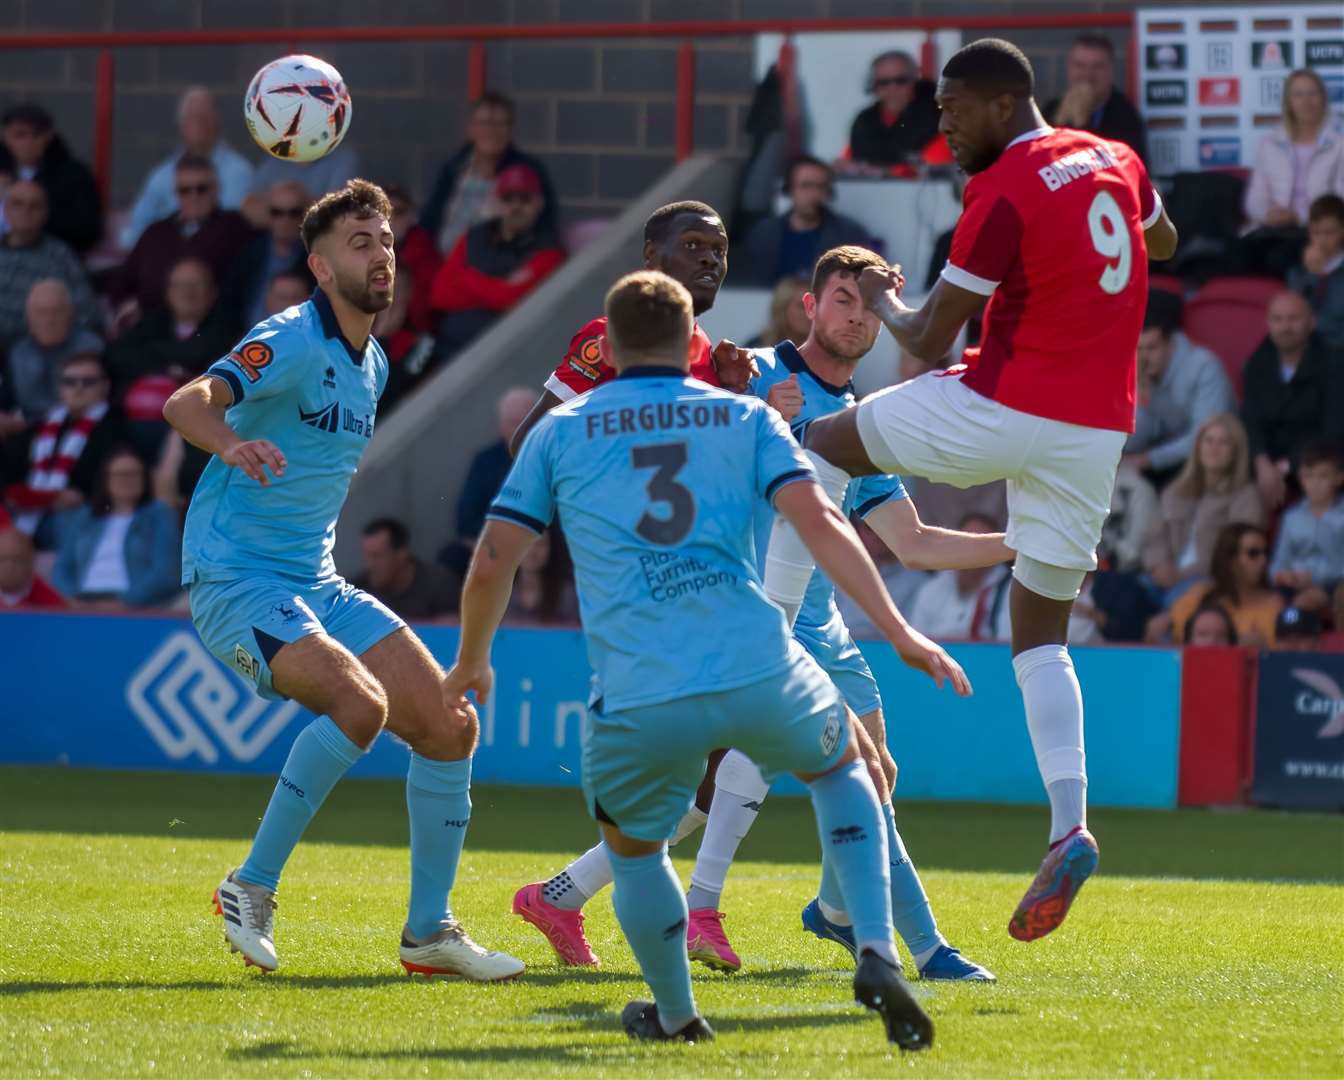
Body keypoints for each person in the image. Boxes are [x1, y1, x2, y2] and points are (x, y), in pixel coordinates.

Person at [448, 268, 967, 1046]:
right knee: (846, 770)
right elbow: (824, 524)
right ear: (694, 342)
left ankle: (680, 1014)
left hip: (637, 682)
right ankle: (874, 946)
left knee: (635, 850)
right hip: (760, 663)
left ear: (610, 347)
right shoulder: (745, 418)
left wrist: (471, 661)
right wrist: (899, 630)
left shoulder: (561, 430)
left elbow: (494, 557)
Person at [760, 39, 1178, 943]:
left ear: (1002, 103)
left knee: (823, 438)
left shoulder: (1003, 191)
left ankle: (768, 629)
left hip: (1006, 400)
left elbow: (921, 336)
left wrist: (874, 285)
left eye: (951, 112)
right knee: (1041, 635)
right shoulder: (1115, 157)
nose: (940, 126)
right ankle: (1069, 824)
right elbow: (1164, 239)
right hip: (1097, 427)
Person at [161, 179, 522, 981]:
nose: (381, 254)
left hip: (313, 581)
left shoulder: (376, 362)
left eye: (386, 239)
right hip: (237, 579)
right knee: (361, 705)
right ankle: (249, 887)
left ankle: (429, 932)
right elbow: (186, 404)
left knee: (450, 725)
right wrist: (229, 444)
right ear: (320, 267)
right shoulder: (289, 337)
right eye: (360, 243)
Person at [508, 201, 758, 456]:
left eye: (720, 250)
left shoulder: (704, 346)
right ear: (651, 255)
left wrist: (730, 389)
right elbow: (530, 443)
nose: (710, 259)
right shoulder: (609, 336)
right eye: (692, 245)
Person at [429, 163, 566, 359]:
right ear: (497, 202)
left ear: (539, 203)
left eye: (525, 199)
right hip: (451, 350)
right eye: (508, 198)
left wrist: (466, 278)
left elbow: (512, 299)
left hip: (506, 355)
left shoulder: (549, 250)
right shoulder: (473, 237)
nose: (516, 206)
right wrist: (495, 290)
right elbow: (439, 294)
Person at [110, 155, 255, 328]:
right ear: (176, 194)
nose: (193, 196)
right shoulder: (155, 233)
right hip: (151, 328)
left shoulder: (234, 227)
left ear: (217, 190)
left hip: (212, 329)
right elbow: (122, 283)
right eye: (185, 190)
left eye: (202, 189)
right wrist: (127, 305)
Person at [4, 353, 130, 542]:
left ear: (105, 386)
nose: (78, 389)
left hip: (81, 517)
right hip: (28, 514)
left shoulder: (116, 429)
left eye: (88, 382)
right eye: (69, 382)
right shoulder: (38, 429)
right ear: (60, 388)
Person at [1241, 290, 1344, 511]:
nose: (1285, 327)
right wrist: (1261, 461)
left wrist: (1285, 467)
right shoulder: (1257, 363)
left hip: (1318, 460)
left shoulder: (1334, 364)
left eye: (1293, 318)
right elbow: (1250, 420)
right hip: (1266, 462)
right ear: (1268, 323)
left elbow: (1334, 430)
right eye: (1278, 319)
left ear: (1312, 322)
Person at [1142, 413, 1263, 598]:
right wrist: (1160, 565)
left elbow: (1234, 553)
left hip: (1209, 581)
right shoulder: (1175, 491)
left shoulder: (1246, 496)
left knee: (1178, 597)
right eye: (1208, 441)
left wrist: (1180, 575)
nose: (1214, 448)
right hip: (1165, 575)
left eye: (1223, 443)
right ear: (1198, 447)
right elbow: (1156, 536)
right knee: (1119, 590)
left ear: (1236, 451)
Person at [421, 92, 557, 258]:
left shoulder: (527, 171)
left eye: (500, 124)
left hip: (497, 264)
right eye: (484, 123)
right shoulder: (454, 167)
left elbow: (544, 223)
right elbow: (430, 218)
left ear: (511, 129)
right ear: (471, 129)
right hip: (442, 264)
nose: (491, 131)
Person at [120, 87, 254, 248]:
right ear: (181, 125)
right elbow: (137, 227)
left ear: (217, 122)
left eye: (205, 117)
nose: (199, 123)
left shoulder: (239, 171)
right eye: (192, 117)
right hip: (165, 256)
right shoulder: (162, 174)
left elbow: (231, 230)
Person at [1123, 289, 1234, 481]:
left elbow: (1204, 439)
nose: (1143, 358)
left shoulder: (1204, 367)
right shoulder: (1135, 368)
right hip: (1154, 464)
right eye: (1138, 349)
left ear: (1171, 344)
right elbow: (1134, 441)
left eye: (1151, 348)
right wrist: (1141, 399)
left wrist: (1148, 460)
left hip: (1208, 466)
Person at [50, 446, 180, 609]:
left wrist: (125, 602)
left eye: (133, 474)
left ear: (144, 478)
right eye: (120, 475)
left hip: (134, 605)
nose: (127, 480)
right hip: (83, 601)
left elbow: (165, 572)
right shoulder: (84, 517)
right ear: (106, 479)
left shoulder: (160, 515)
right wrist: (72, 599)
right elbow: (61, 567)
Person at [105, 258, 237, 391]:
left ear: (213, 292)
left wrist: (155, 354)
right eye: (179, 285)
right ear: (168, 293)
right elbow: (117, 356)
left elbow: (201, 354)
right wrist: (167, 369)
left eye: (195, 284)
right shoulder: (154, 321)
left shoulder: (227, 327)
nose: (187, 292)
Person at [448, 386, 536, 573]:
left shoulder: (560, 454)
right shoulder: (485, 462)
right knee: (453, 556)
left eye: (529, 420)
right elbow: (466, 520)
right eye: (515, 423)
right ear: (502, 428)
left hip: (547, 545)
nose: (523, 429)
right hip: (498, 544)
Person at [743, 156, 870, 285]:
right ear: (790, 189)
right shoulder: (763, 234)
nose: (814, 193)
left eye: (821, 186)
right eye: (806, 186)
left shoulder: (847, 235)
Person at [1244, 69, 1344, 231]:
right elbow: (1255, 199)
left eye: (1313, 93)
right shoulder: (1270, 143)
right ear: (1288, 102)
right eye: (1298, 94)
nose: (1306, 101)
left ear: (1323, 99)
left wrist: (1299, 216)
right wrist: (1267, 215)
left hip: (1320, 230)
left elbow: (1340, 200)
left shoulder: (1339, 143)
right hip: (1273, 228)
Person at [0, 181, 97, 346]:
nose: (25, 211)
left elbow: (88, 313)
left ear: (45, 213)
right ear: (5, 209)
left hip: (36, 347)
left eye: (35, 206)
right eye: (17, 204)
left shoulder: (61, 256)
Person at [0, 103, 101, 253]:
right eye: (20, 135)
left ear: (48, 136)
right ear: (5, 136)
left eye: (36, 135)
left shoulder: (73, 175)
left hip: (49, 255)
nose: (28, 142)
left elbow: (87, 228)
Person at [2, 279, 102, 425]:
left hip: (80, 426)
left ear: (69, 313)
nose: (49, 320)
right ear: (29, 316)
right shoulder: (18, 353)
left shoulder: (91, 347)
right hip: (27, 430)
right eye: (41, 312)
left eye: (56, 311)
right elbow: (6, 400)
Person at [1164, 523, 1282, 646]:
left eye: (1266, 553)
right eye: (1253, 553)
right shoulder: (1198, 597)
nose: (1263, 561)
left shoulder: (1275, 605)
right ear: (1230, 559)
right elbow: (1176, 643)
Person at [905, 513, 1012, 641]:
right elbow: (916, 640)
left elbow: (1006, 646)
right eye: (967, 540)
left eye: (981, 542)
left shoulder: (1010, 589)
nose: (971, 549)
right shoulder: (931, 588)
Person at [1044, 35, 1147, 163]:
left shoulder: (1126, 116)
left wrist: (1082, 123)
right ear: (1069, 68)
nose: (1088, 74)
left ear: (1111, 71)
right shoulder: (1051, 110)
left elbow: (1125, 165)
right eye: (1080, 65)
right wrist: (1061, 122)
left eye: (1097, 67)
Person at [1268, 443, 1344, 615]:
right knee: (1271, 602)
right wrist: (1282, 575)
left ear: (1339, 478)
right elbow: (1279, 560)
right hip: (1295, 582)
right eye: (1308, 477)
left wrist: (1314, 578)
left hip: (1334, 583)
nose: (1315, 484)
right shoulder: (1291, 517)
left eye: (1323, 476)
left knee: (1316, 599)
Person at [841, 51, 941, 170]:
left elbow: (934, 165)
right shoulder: (864, 120)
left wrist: (888, 171)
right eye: (883, 83)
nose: (892, 88)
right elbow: (852, 159)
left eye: (901, 81)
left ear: (915, 80)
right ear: (873, 85)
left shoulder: (939, 116)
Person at [237, 181, 313, 328]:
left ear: (306, 216)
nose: (285, 220)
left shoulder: (317, 260)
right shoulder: (248, 254)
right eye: (277, 212)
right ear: (268, 215)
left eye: (294, 213)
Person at [354, 517, 459, 621]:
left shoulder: (438, 583)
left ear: (401, 554)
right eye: (367, 556)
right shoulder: (358, 589)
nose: (370, 565)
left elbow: (451, 628)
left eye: (377, 556)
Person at [1287, 194, 1344, 351]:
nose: (1321, 240)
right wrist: (1312, 276)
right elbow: (1293, 316)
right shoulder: (1297, 273)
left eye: (1329, 232)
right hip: (1305, 352)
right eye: (1316, 233)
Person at [0, 525, 65, 609]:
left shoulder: (51, 603)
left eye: (17, 559)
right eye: (2, 559)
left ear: (31, 562)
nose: (9, 566)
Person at [747, 275, 811, 348]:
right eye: (801, 306)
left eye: (814, 305)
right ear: (782, 308)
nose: (811, 312)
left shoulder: (825, 350)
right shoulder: (756, 349)